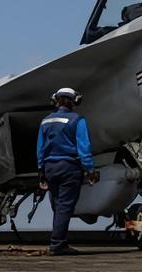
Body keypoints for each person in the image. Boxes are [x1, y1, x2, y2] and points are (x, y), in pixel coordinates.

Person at [37, 87, 99, 255]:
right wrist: (90, 169)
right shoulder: (77, 120)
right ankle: (57, 244)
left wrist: (41, 170)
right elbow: (83, 148)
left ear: (55, 100)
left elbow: (40, 149)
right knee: (65, 206)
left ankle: (58, 241)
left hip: (49, 168)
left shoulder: (45, 121)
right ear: (74, 101)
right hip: (69, 167)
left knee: (58, 206)